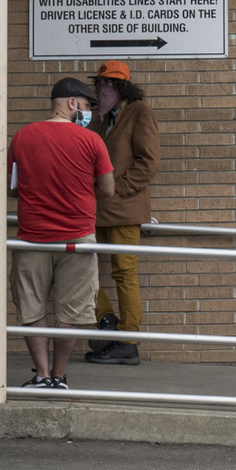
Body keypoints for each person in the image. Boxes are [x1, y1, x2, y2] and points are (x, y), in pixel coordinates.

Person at [6, 78, 115, 392]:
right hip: (77, 238)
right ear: (71, 103)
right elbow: (108, 190)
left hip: (31, 238)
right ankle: (59, 376)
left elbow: (11, 189)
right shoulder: (92, 141)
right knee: (71, 312)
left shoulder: (23, 136)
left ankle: (40, 375)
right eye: (86, 106)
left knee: (32, 309)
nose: (88, 113)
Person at [83, 61, 161, 368]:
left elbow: (149, 161)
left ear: (123, 87)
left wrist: (119, 190)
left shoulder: (138, 111)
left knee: (124, 273)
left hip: (124, 210)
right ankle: (107, 320)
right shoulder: (99, 118)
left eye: (111, 85)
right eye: (101, 84)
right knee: (82, 270)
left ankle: (128, 342)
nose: (104, 90)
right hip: (95, 210)